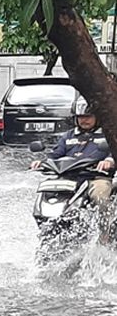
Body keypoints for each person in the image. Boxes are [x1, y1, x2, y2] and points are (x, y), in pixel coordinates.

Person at [30, 96, 114, 243]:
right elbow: (56, 154)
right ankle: (47, 229)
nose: (84, 120)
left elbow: (113, 152)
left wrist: (109, 161)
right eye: (80, 116)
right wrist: (41, 162)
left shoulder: (108, 134)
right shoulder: (68, 136)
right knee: (46, 193)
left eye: (88, 116)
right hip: (68, 177)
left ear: (98, 117)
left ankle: (104, 234)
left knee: (100, 195)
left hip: (95, 178)